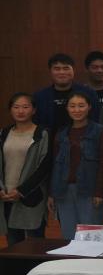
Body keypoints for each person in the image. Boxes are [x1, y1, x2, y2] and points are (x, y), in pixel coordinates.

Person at [48, 92, 103, 240]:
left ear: (89, 107)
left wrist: (100, 192)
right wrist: (52, 193)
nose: (77, 110)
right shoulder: (61, 133)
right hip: (63, 191)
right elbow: (55, 165)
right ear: (67, 109)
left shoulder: (101, 131)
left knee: (92, 236)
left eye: (81, 106)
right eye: (72, 106)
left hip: (90, 191)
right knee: (69, 235)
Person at [0, 93, 51, 244]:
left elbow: (44, 166)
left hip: (31, 194)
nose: (20, 111)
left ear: (34, 110)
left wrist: (22, 190)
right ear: (10, 110)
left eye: (25, 107)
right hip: (7, 196)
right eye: (16, 107)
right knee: (13, 244)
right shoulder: (4, 133)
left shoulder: (42, 133)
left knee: (36, 244)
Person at [33, 53, 99, 132]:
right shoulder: (40, 97)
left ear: (73, 70)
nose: (62, 72)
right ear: (50, 71)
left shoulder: (89, 93)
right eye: (57, 69)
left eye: (66, 68)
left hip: (84, 138)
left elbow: (95, 120)